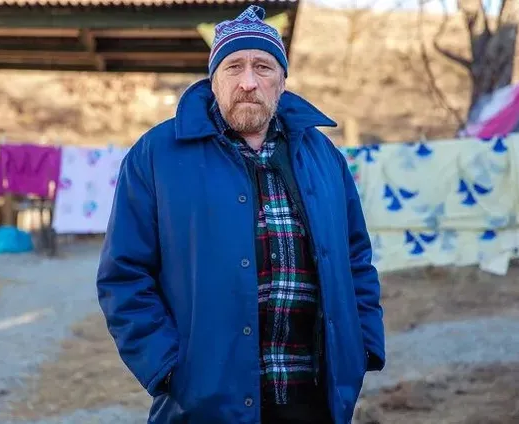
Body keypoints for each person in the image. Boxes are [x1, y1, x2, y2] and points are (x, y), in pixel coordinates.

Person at [96, 5, 385, 423]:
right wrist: (167, 368)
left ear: (282, 81)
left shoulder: (323, 157)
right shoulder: (155, 156)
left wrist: (364, 346)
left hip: (314, 400)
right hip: (203, 402)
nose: (248, 82)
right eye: (234, 67)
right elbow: (123, 275)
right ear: (213, 80)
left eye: (263, 67)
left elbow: (356, 259)